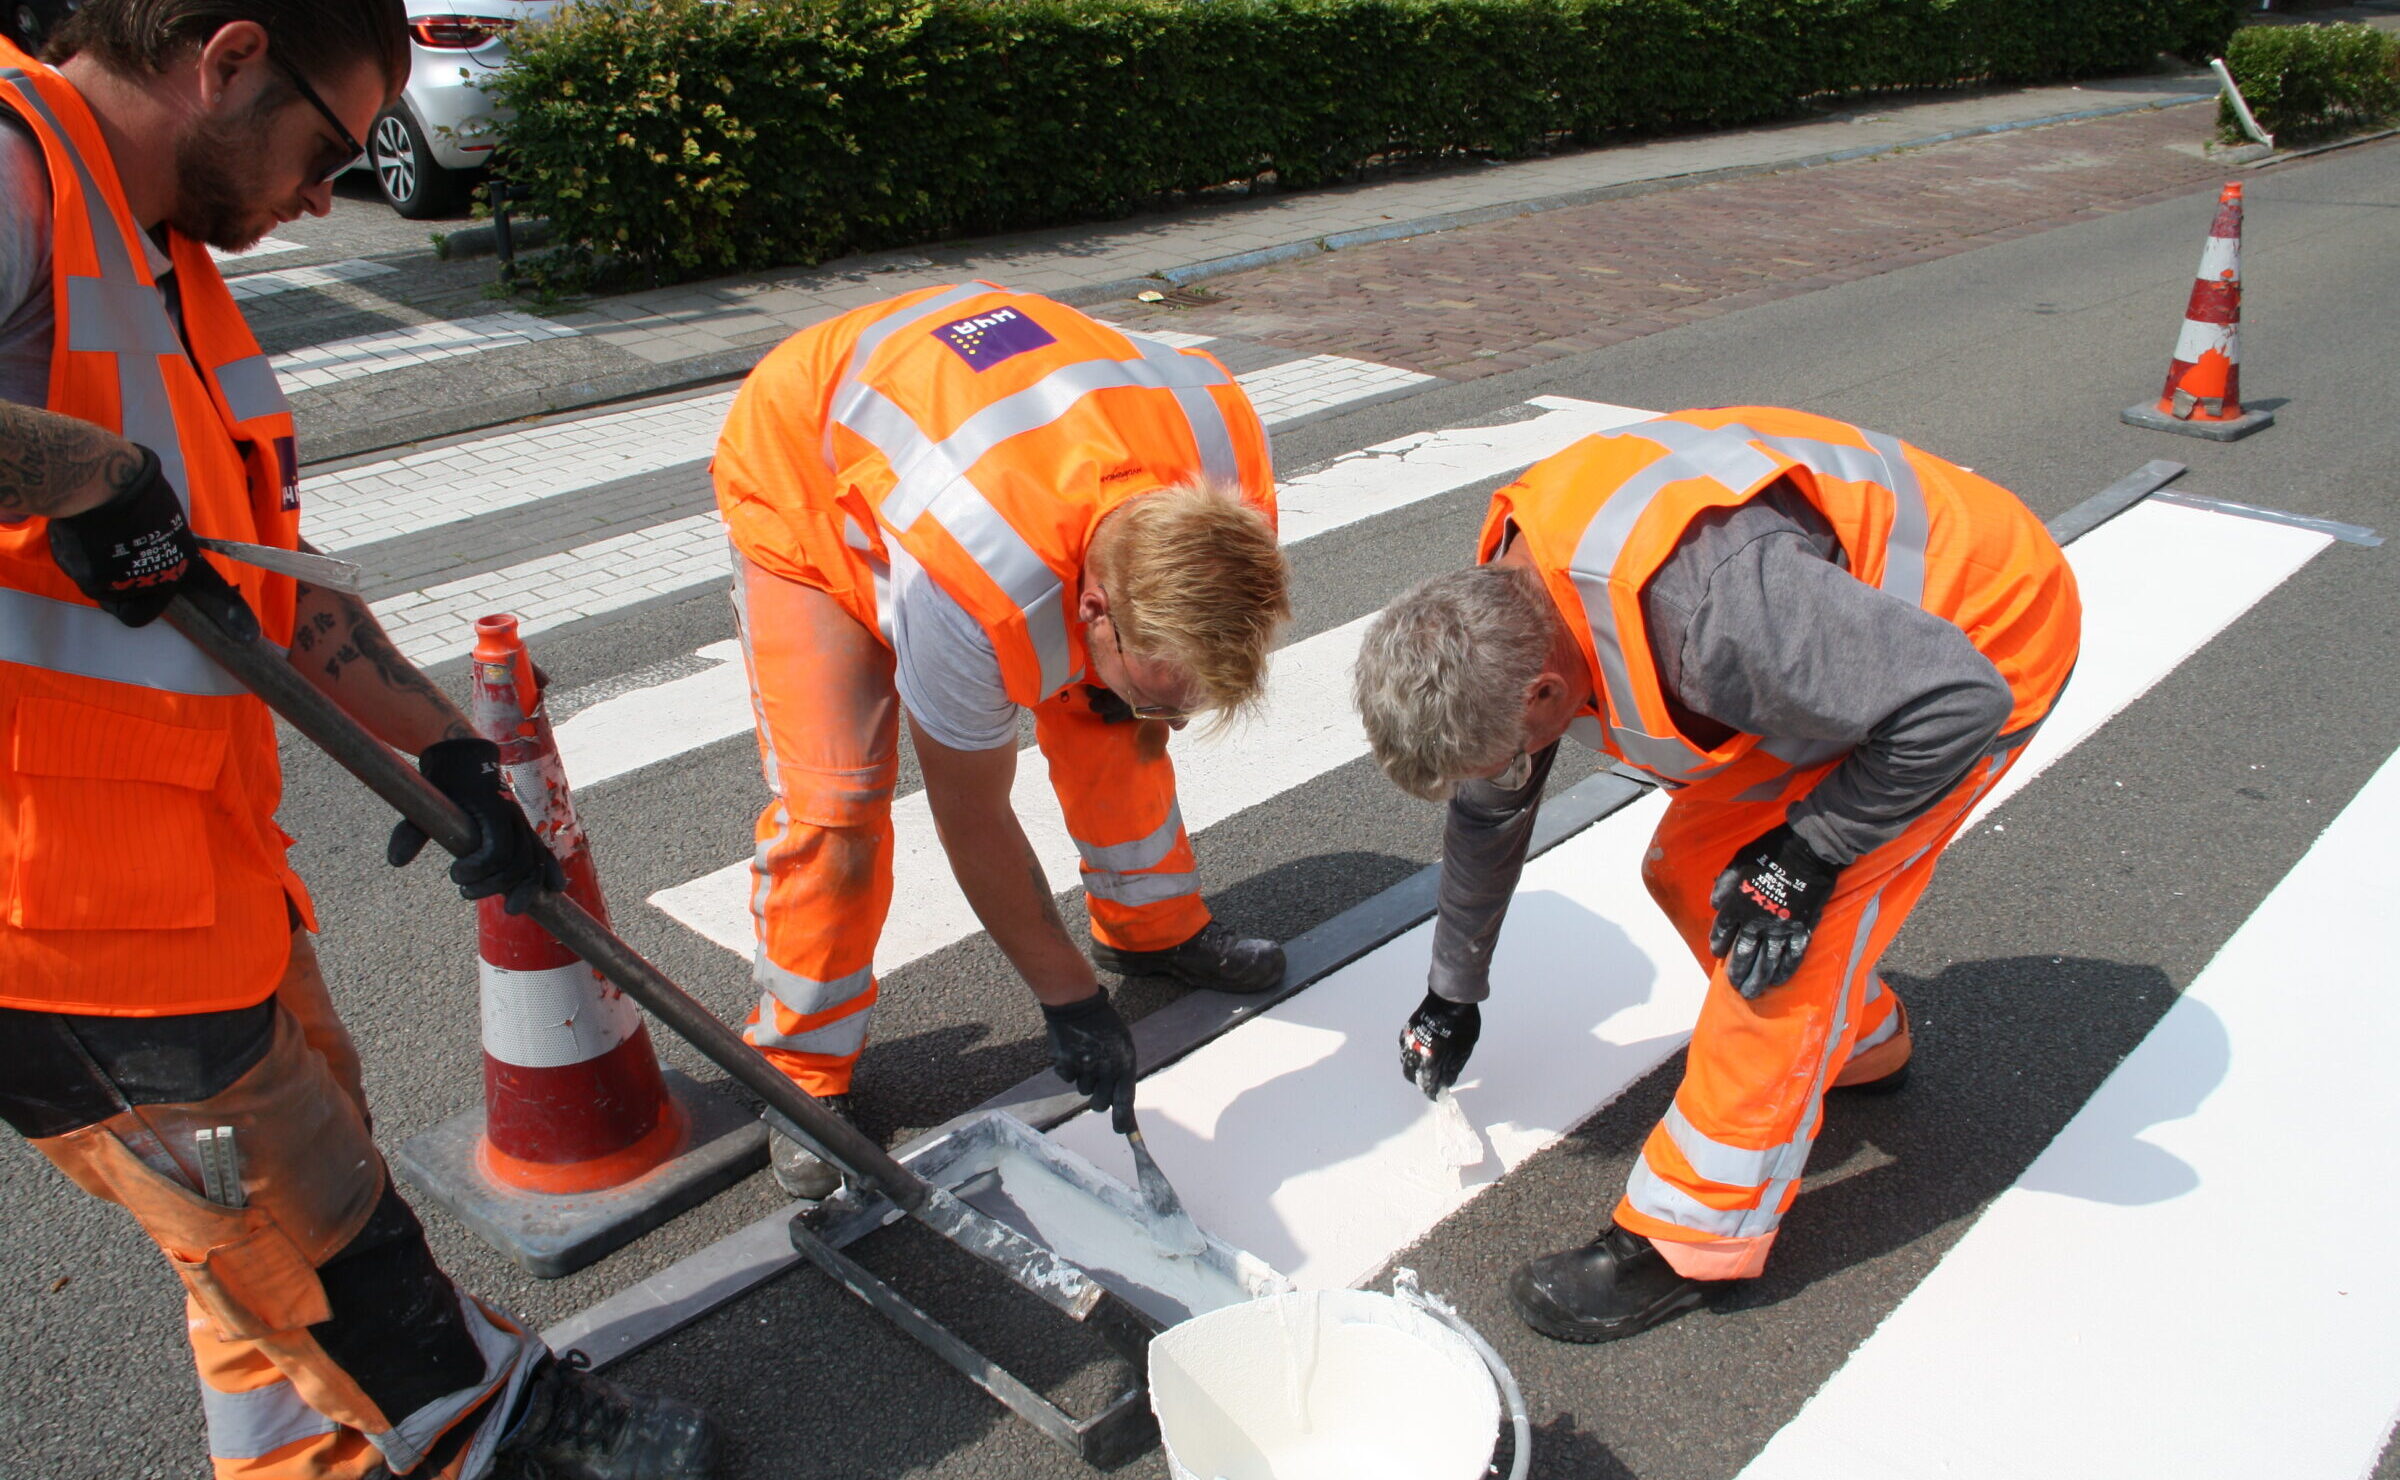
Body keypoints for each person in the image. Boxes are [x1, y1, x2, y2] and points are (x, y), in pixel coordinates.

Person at [0, 4, 716, 1475]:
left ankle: (297, 1461)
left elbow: (271, 589)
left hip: (193, 877)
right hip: (60, 926)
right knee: (327, 1244)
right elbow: (99, 496)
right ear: (229, 57)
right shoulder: (15, 173)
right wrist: (85, 470)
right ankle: (510, 1440)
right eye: (324, 147)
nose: (327, 196)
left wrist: (454, 756)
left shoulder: (163, 260)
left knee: (263, 1230)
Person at [1353, 406, 2080, 1342]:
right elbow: (1492, 808)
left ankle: (1690, 1237)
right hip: (1844, 652)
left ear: (1542, 692)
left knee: (1783, 942)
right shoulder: (1505, 604)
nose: (1509, 772)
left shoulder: (1719, 617)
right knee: (1692, 865)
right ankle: (1859, 1046)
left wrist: (1814, 846)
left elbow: (1955, 702)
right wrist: (1453, 991)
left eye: (1512, 749)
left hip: (1975, 642)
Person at [713, 283, 1292, 1196]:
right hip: (809, 464)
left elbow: (1174, 654)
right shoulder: (976, 583)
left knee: (1113, 728)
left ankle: (1149, 925)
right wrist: (1069, 999)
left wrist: (1133, 698)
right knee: (837, 808)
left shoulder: (1226, 470)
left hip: (996, 424)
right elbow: (973, 815)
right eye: (1162, 692)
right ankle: (798, 1067)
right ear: (1092, 607)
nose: (1175, 720)